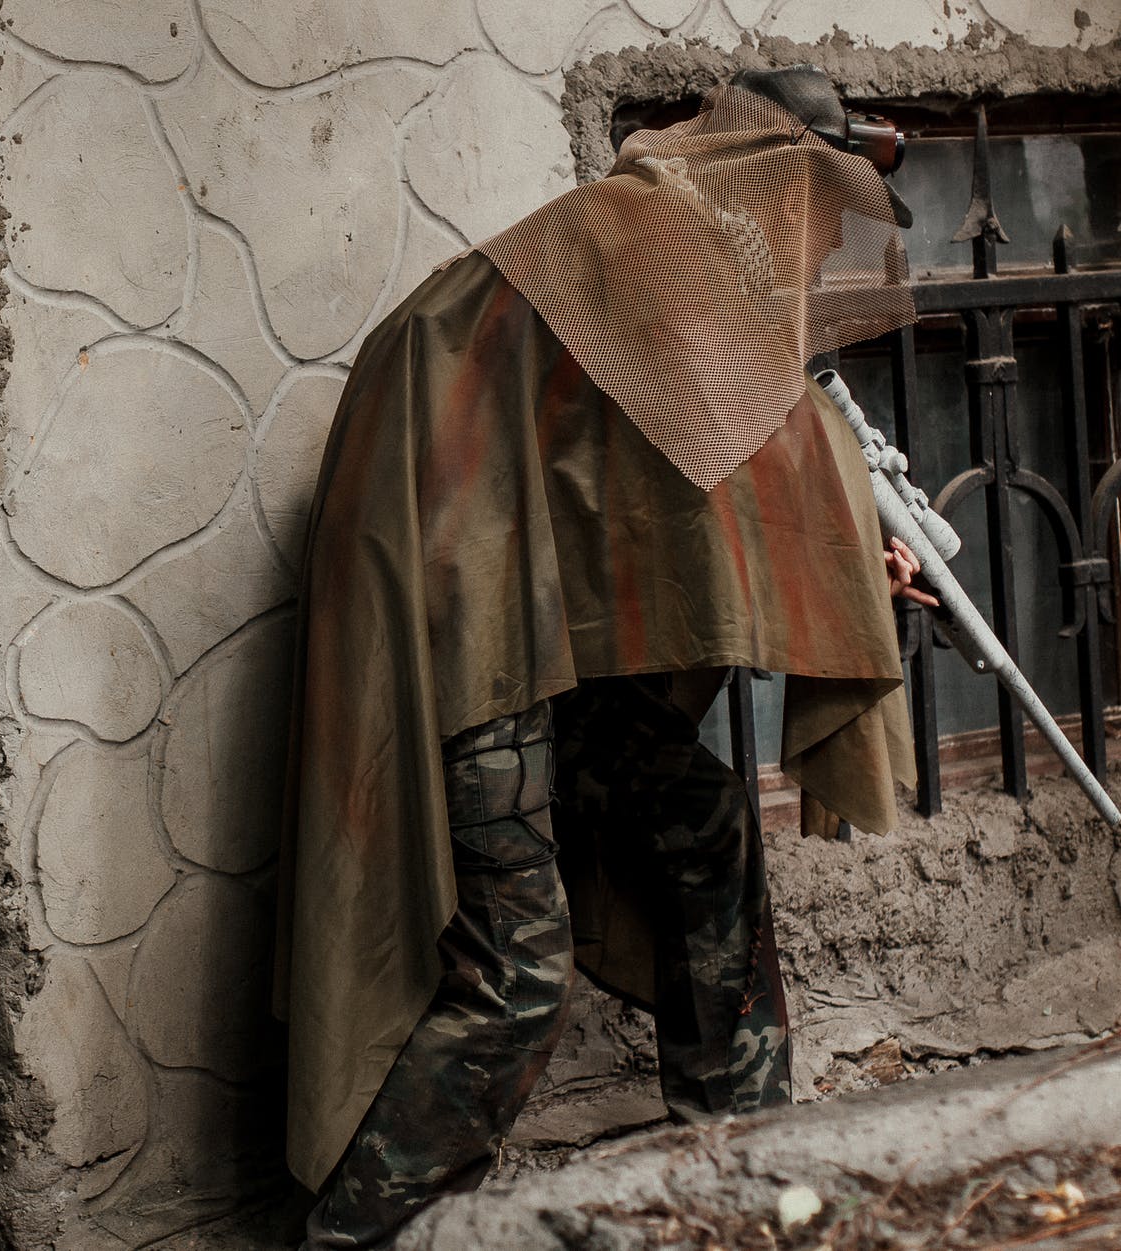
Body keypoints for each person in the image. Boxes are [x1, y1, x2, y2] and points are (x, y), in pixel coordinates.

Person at [277, 66, 933, 1246]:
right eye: (817, 210)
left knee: (700, 825)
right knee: (516, 973)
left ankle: (738, 1167)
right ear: (771, 177)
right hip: (464, 627)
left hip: (542, 626)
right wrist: (829, 559)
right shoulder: (647, 244)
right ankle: (356, 1231)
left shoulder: (685, 257)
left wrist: (843, 563)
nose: (819, 239)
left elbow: (696, 484)